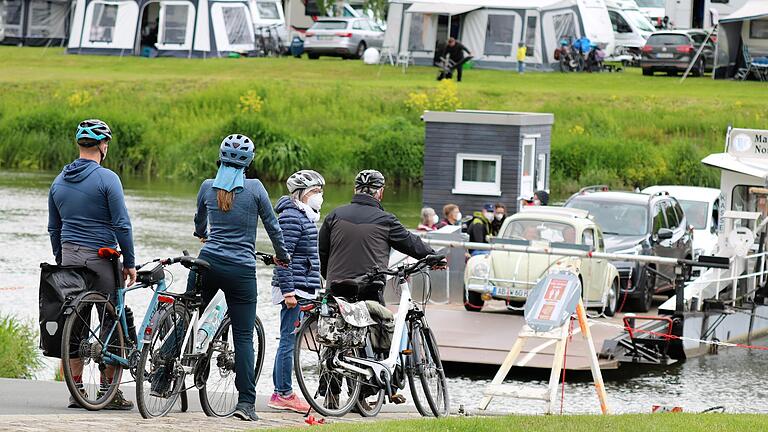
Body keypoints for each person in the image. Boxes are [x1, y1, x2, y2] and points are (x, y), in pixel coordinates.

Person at [189, 134, 290, 422]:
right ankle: (245, 403)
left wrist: (202, 236)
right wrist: (283, 256)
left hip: (207, 263)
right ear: (249, 162)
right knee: (244, 336)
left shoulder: (207, 187)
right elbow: (273, 226)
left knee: (190, 315)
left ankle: (162, 376)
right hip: (241, 271)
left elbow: (199, 221)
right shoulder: (256, 189)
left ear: (219, 158)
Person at [48, 119, 136, 410]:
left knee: (75, 326)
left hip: (70, 259)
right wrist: (130, 263)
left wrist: (63, 260)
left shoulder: (58, 181)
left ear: (79, 145)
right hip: (102, 259)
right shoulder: (107, 179)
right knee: (112, 322)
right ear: (103, 146)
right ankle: (110, 392)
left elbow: (54, 229)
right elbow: (122, 224)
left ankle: (76, 391)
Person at [319, 170, 435, 304]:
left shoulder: (334, 215)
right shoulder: (386, 220)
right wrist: (434, 256)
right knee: (383, 322)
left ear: (355, 190)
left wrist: (329, 276)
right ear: (380, 192)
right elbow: (410, 243)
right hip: (369, 289)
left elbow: (322, 251)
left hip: (335, 288)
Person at [269, 170, 324, 414]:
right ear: (301, 194)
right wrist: (288, 291)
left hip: (303, 285)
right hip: (294, 289)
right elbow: (284, 257)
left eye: (320, 192)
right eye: (314, 192)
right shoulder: (291, 217)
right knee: (288, 340)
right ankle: (283, 393)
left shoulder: (304, 215)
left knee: (288, 339)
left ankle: (280, 391)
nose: (319, 196)